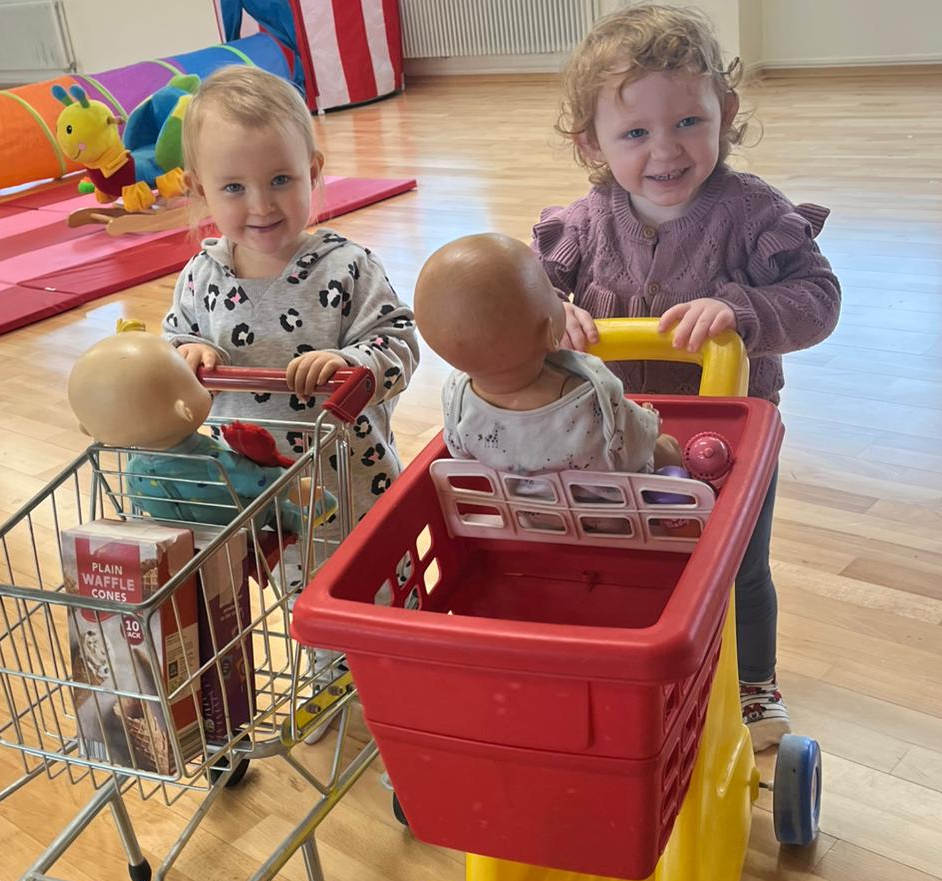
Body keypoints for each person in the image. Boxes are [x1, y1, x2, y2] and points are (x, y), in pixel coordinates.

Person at [534, 3, 841, 750]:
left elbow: (818, 300)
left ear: (725, 113)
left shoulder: (753, 212)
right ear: (591, 142)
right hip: (612, 437)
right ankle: (642, 662)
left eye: (688, 123)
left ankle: (754, 684)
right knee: (625, 555)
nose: (666, 150)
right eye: (635, 133)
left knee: (739, 564)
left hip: (729, 439)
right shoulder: (584, 223)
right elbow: (527, 291)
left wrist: (740, 310)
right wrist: (550, 314)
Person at [162, 66, 418, 532]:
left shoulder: (348, 267)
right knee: (277, 578)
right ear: (199, 189)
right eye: (234, 188)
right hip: (253, 498)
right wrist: (185, 353)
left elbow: (399, 345)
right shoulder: (201, 276)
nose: (261, 205)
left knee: (366, 578)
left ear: (312, 172)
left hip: (352, 492)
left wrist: (348, 361)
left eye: (280, 179)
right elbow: (172, 347)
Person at [414, 232, 681, 478]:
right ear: (551, 332)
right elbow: (632, 444)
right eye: (552, 293)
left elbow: (459, 451)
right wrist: (649, 422)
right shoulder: (590, 392)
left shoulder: (455, 395)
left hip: (526, 505)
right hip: (605, 505)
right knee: (665, 448)